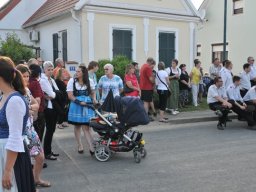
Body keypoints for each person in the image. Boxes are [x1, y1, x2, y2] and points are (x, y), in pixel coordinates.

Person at [0, 56, 36, 191]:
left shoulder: (14, 101)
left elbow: (15, 137)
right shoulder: (3, 97)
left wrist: (8, 170)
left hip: (10, 157)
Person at [16, 64, 51, 188]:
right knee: (22, 162)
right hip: (19, 132)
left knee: (40, 157)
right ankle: (28, 185)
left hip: (30, 129)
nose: (26, 79)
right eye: (23, 76)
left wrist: (29, 108)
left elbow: (36, 103)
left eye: (27, 76)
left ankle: (36, 179)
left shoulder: (26, 90)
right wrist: (29, 109)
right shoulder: (11, 92)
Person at [67, 66, 96, 155]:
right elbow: (70, 95)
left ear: (83, 73)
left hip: (87, 105)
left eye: (78, 71)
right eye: (76, 71)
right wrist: (79, 102)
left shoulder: (89, 81)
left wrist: (94, 99)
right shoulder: (72, 81)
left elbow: (93, 92)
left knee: (86, 126)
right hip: (76, 105)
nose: (76, 73)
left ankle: (91, 147)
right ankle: (80, 145)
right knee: (77, 126)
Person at [40, 61, 60, 160]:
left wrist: (53, 95)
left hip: (53, 107)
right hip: (48, 108)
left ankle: (49, 150)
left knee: (51, 130)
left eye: (52, 69)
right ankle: (47, 153)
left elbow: (57, 93)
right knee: (49, 130)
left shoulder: (51, 79)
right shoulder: (43, 80)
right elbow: (53, 95)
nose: (51, 71)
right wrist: (52, 95)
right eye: (49, 69)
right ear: (44, 70)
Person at [29, 64, 45, 141]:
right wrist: (36, 115)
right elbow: (38, 99)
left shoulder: (28, 82)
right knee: (38, 138)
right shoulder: (35, 83)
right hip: (37, 113)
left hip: (30, 112)